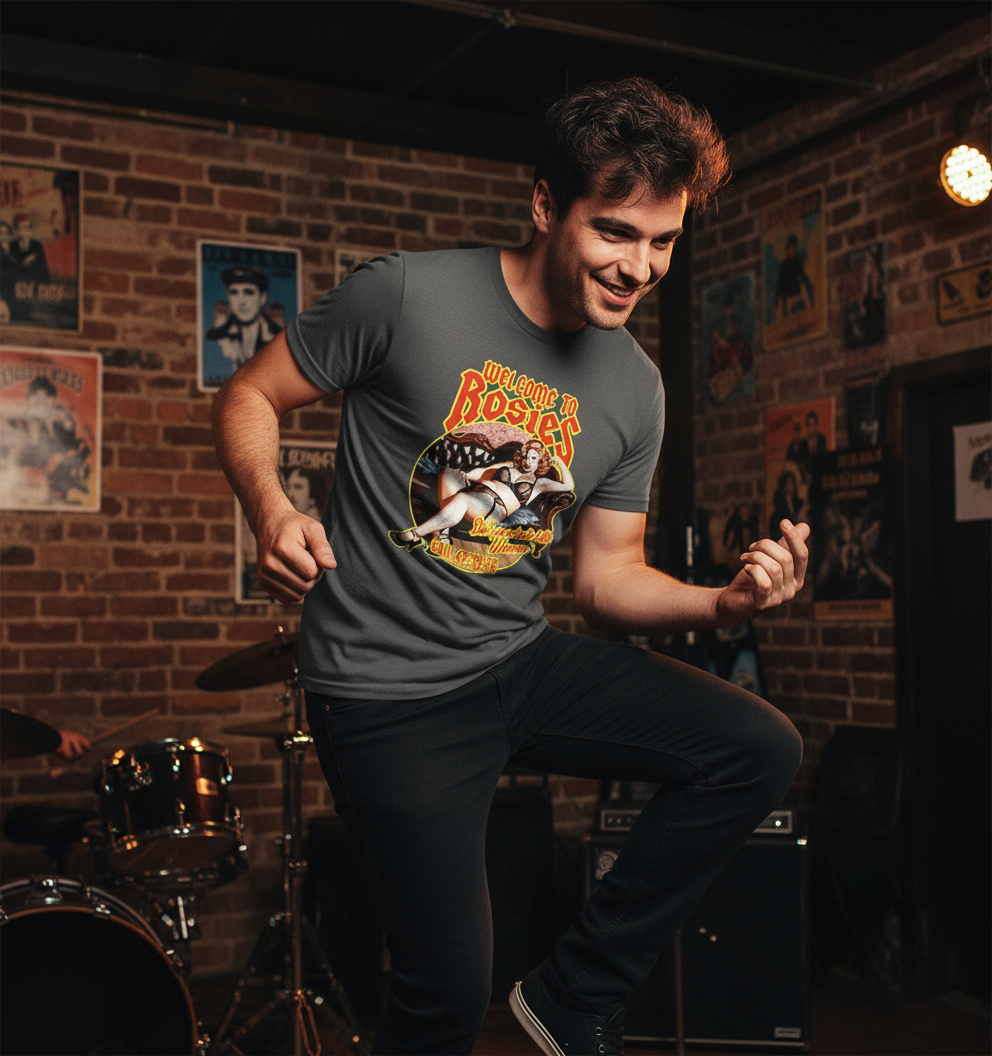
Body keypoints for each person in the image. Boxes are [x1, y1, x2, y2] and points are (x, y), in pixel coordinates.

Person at [211, 76, 809, 1056]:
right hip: (385, 692)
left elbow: (606, 580)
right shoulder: (403, 296)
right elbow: (247, 395)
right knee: (446, 992)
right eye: (614, 232)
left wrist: (723, 599)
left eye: (662, 242)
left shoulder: (632, 386)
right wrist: (270, 506)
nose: (639, 267)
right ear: (544, 205)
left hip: (516, 661)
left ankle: (572, 998)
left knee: (755, 749)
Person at [389, 437, 574, 550]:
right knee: (448, 472)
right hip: (476, 493)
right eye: (526, 456)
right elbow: (481, 473)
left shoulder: (540, 483)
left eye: (533, 458)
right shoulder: (508, 466)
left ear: (540, 461)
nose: (527, 461)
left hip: (494, 509)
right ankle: (443, 531)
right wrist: (464, 475)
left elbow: (568, 485)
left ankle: (415, 535)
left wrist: (559, 461)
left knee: (462, 498)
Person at [206, 265, 283, 368]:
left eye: (248, 292)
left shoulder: (277, 337)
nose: (241, 301)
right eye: (234, 293)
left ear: (263, 298)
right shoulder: (216, 336)